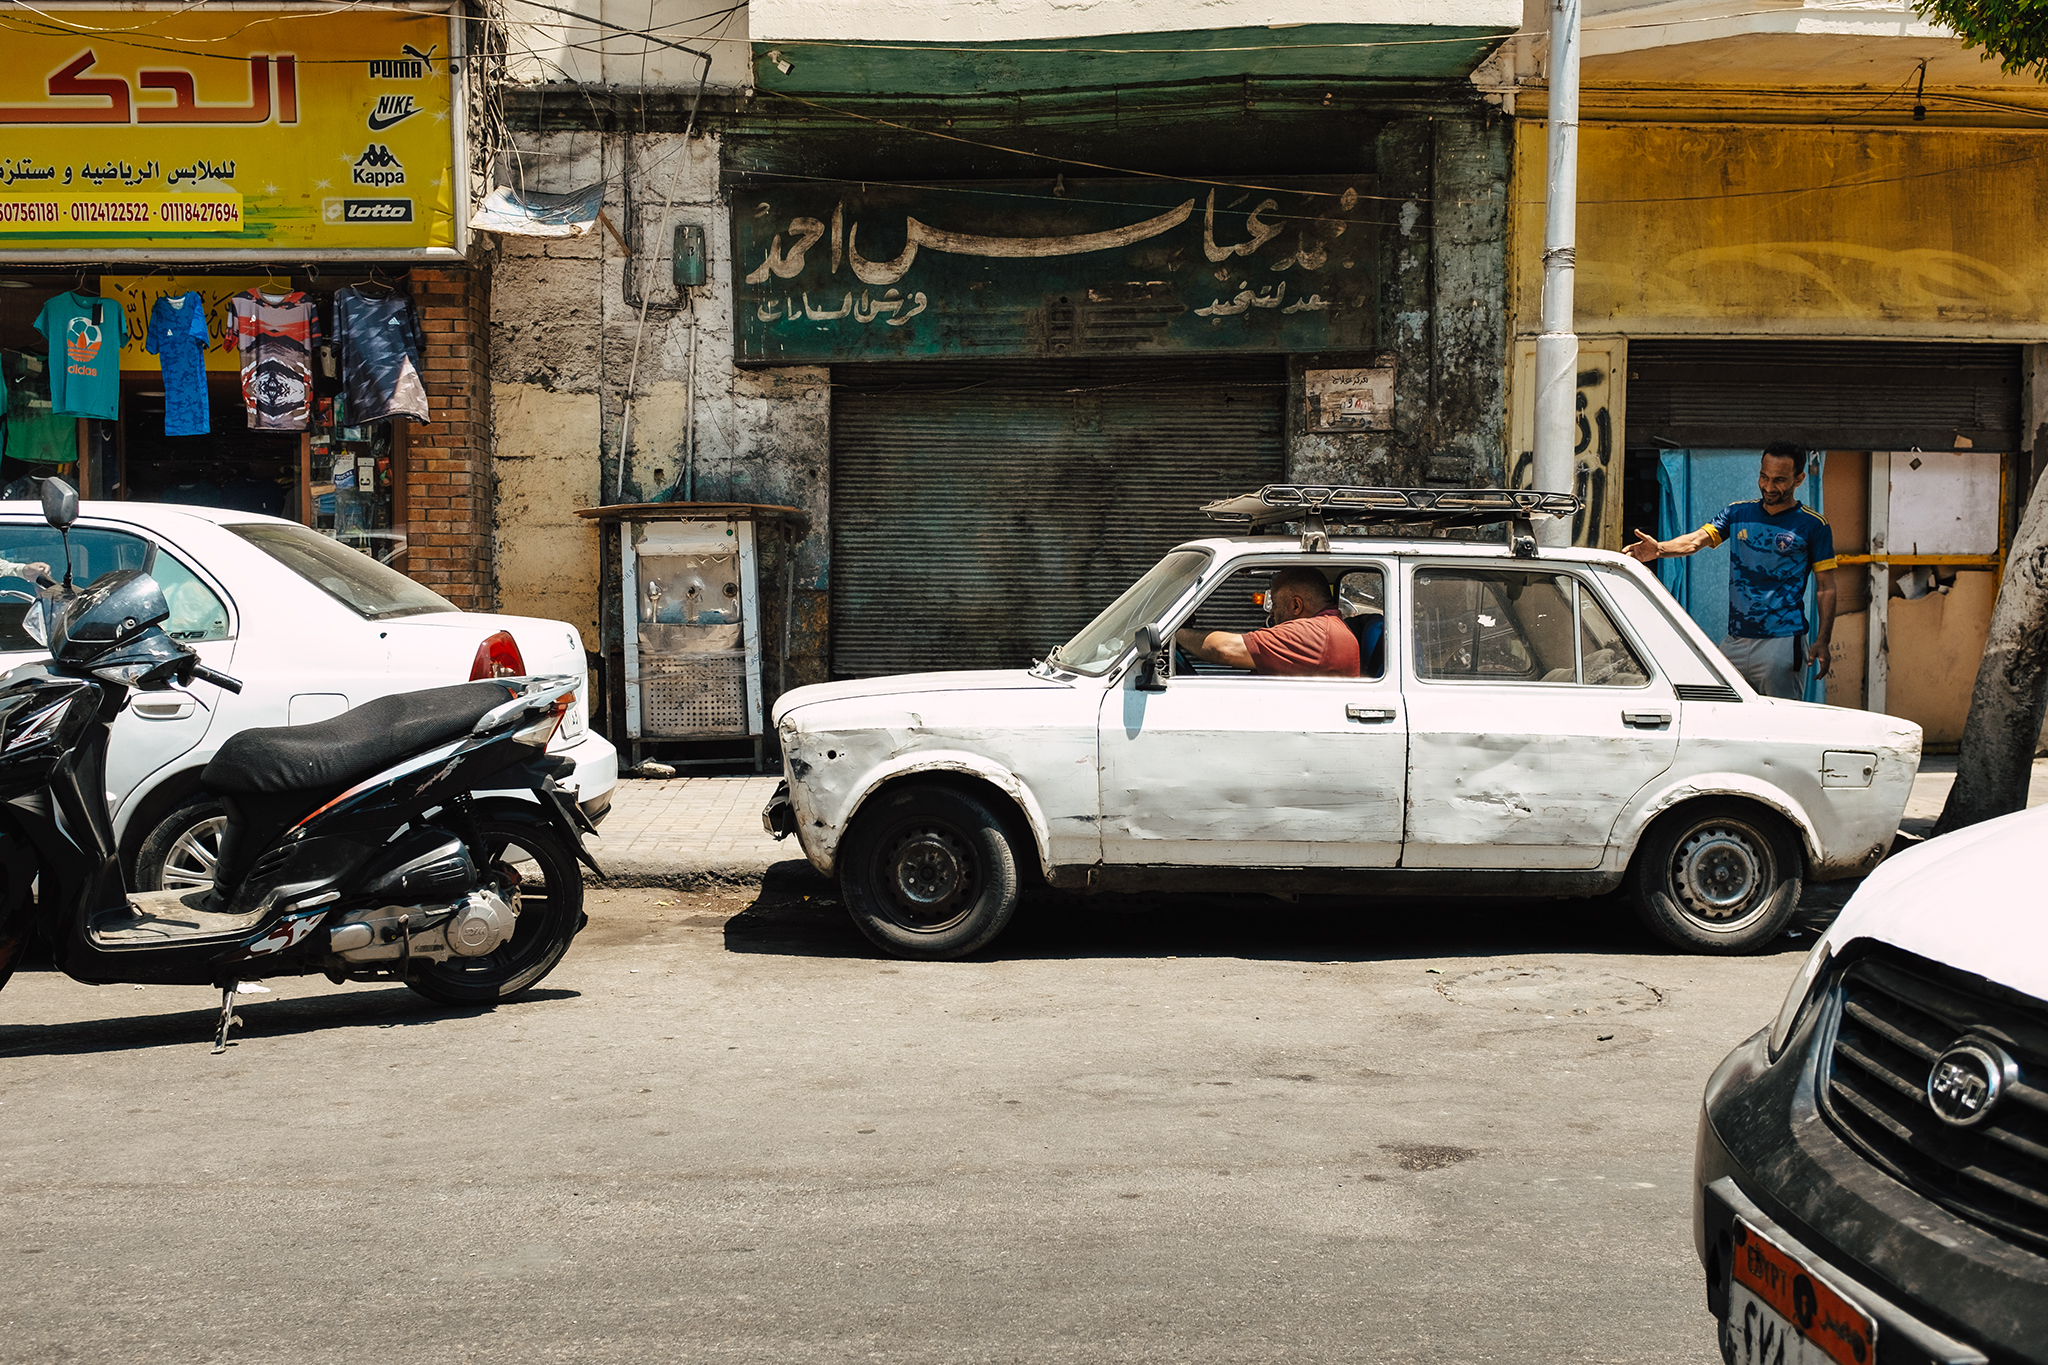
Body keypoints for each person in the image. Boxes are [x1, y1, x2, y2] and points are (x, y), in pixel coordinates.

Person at [1624, 440, 1836, 700]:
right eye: (1764, 476)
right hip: (1734, 642)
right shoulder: (1737, 513)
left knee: (1779, 723)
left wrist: (1823, 640)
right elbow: (1695, 540)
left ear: (1799, 479)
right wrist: (1659, 550)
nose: (1769, 487)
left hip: (1781, 643)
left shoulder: (1813, 525)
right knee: (1717, 710)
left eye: (1779, 480)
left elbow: (1826, 588)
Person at [1175, 566, 1361, 677]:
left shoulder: (1315, 634)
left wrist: (1175, 632)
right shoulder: (1326, 628)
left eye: (1276, 604)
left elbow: (1223, 649)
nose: (1272, 612)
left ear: (1296, 605)